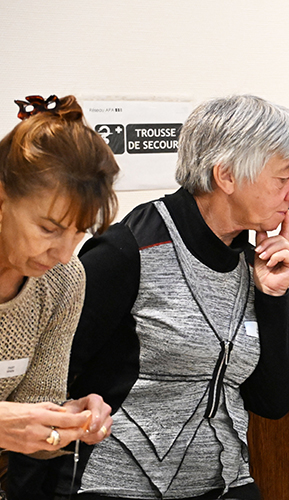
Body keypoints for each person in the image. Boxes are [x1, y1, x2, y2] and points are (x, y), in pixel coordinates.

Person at [9, 94, 289, 500]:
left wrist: (274, 297)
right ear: (226, 176)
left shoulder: (255, 258)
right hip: (116, 485)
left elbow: (273, 402)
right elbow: (49, 391)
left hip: (225, 483)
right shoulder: (126, 251)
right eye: (283, 178)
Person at [0, 95, 115, 458]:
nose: (64, 254)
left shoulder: (62, 279)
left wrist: (66, 422)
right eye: (49, 229)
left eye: (79, 232)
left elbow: (32, 423)